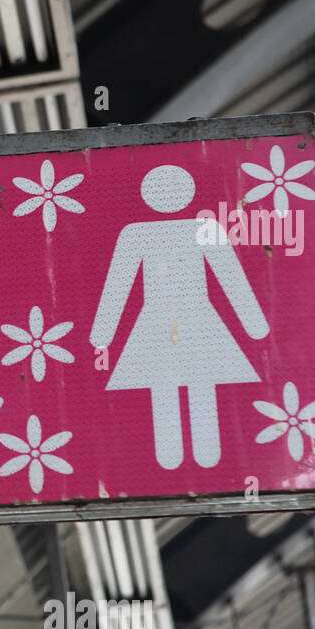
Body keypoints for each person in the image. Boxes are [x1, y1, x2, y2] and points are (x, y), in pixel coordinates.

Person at [89, 165, 268, 469]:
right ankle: (181, 457)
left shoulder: (151, 232)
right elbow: (119, 282)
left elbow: (229, 276)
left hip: (174, 319)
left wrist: (102, 335)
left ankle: (190, 456)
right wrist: (254, 325)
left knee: (176, 384)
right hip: (183, 319)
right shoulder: (189, 230)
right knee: (186, 384)